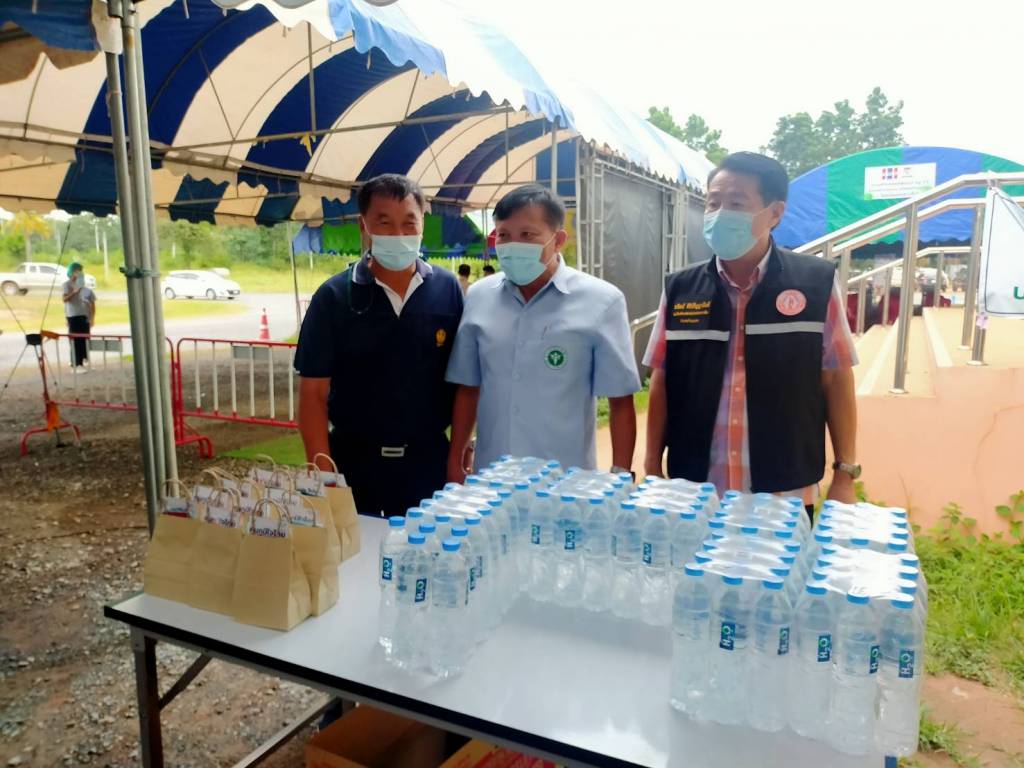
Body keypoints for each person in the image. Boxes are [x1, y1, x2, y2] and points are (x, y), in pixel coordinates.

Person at [643, 152, 860, 516]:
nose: (720, 213)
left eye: (736, 203)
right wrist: (652, 466)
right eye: (713, 203)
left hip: (783, 493)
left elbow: (836, 378)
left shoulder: (816, 283)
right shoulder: (681, 288)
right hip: (694, 490)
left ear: (775, 213)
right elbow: (662, 380)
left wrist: (845, 473)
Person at [294, 174, 464, 517]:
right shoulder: (334, 296)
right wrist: (323, 473)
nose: (398, 235)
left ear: (422, 224)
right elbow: (313, 393)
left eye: (409, 223)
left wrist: (457, 456)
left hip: (428, 463)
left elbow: (464, 383)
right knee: (356, 549)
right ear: (364, 226)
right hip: (354, 464)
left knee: (428, 548)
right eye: (384, 223)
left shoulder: (447, 289)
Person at [446, 184, 641, 479]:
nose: (513, 245)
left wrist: (621, 475)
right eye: (504, 235)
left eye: (527, 235)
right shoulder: (479, 296)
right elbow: (469, 387)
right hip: (492, 478)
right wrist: (456, 457)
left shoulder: (602, 301)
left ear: (558, 240)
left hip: (565, 481)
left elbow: (620, 399)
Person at [62, 262, 95, 372]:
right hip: (73, 316)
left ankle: (82, 361)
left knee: (83, 340)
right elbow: (64, 299)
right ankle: (75, 364)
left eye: (81, 270)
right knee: (75, 340)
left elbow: (89, 301)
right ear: (72, 272)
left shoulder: (83, 286)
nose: (80, 273)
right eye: (77, 270)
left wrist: (91, 317)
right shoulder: (67, 285)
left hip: (83, 315)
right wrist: (74, 292)